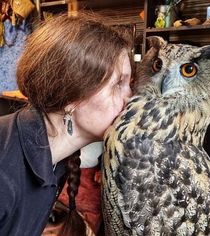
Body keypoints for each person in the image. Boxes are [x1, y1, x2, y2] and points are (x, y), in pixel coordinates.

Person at [0, 12, 133, 236]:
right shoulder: (5, 171)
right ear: (72, 96)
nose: (131, 98)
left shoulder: (56, 158)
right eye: (119, 83)